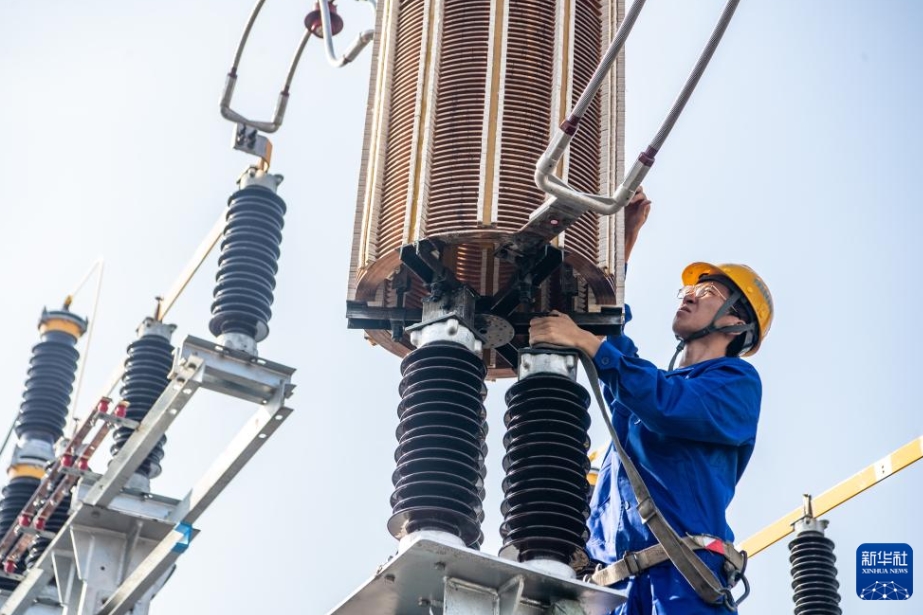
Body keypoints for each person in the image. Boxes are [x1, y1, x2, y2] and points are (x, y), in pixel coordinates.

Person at [528, 189, 774, 614]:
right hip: (615, 593)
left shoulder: (735, 384)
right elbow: (620, 352)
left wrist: (589, 343)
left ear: (737, 322)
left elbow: (665, 403)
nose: (689, 294)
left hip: (682, 582)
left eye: (709, 290)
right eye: (687, 288)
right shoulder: (642, 391)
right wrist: (617, 247)